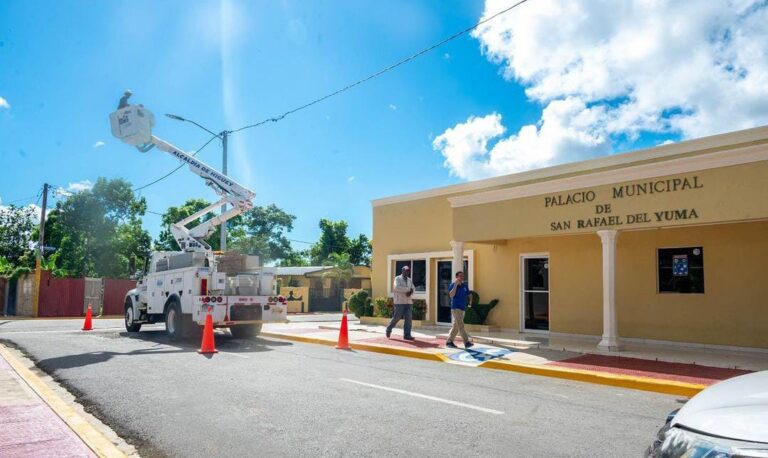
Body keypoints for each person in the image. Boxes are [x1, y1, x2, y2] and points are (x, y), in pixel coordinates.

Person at [386, 266, 416, 341]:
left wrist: (411, 292)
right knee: (397, 317)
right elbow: (396, 287)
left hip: (408, 302)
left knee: (408, 319)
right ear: (402, 271)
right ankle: (389, 329)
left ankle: (407, 335)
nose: (407, 272)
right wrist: (408, 290)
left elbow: (413, 288)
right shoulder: (397, 278)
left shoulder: (409, 280)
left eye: (408, 271)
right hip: (399, 302)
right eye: (406, 271)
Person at [446, 271, 473, 349]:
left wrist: (470, 302)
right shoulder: (452, 285)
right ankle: (466, 342)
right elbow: (451, 295)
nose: (462, 277)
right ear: (456, 277)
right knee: (461, 325)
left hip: (462, 308)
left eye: (462, 276)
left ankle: (449, 341)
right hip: (455, 308)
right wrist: (455, 285)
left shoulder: (465, 286)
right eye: (460, 276)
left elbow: (469, 294)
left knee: (456, 326)